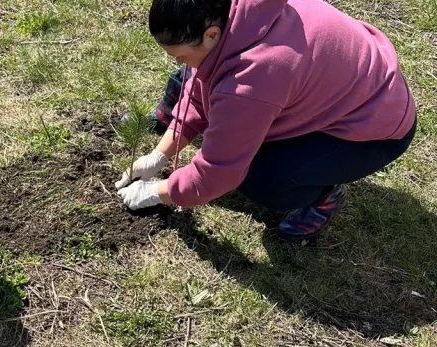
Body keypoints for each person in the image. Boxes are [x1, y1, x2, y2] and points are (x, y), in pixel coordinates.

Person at [115, 0, 417, 241]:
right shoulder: (230, 14)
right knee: (191, 72)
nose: (177, 61)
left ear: (211, 35)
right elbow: (199, 88)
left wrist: (157, 192)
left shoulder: (250, 82)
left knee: (262, 177)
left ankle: (324, 195)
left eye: (179, 55)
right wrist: (160, 154)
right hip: (340, 85)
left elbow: (219, 172)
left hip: (372, 126)